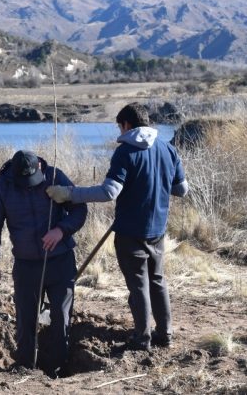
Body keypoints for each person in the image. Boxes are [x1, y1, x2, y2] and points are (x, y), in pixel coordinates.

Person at [46, 103, 188, 351]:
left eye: (119, 127)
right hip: (157, 231)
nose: (119, 133)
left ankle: (142, 339)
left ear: (126, 125)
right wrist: (157, 183)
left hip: (130, 232)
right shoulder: (168, 149)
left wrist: (69, 193)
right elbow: (181, 189)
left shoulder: (125, 152)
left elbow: (109, 192)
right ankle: (165, 335)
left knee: (138, 286)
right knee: (157, 280)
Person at [0, 150, 87, 375]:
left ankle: (58, 369)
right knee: (26, 319)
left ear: (40, 166)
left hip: (60, 262)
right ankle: (26, 368)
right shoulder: (3, 185)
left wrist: (61, 230)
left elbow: (79, 209)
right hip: (26, 264)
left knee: (61, 315)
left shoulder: (55, 176)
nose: (29, 185)